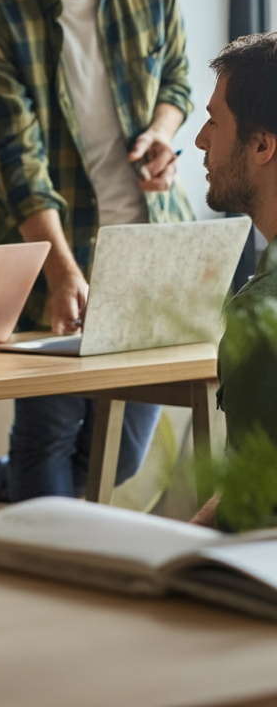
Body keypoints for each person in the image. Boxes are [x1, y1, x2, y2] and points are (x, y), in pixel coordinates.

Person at [0, 0, 195, 503]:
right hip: (50, 253)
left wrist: (161, 134)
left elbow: (176, 77)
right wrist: (62, 270)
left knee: (115, 458)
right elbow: (17, 157)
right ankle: (43, 582)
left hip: (147, 250)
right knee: (50, 439)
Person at [190, 34, 277, 527]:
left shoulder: (262, 314)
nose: (201, 139)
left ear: (261, 145)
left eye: (215, 121)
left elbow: (251, 520)